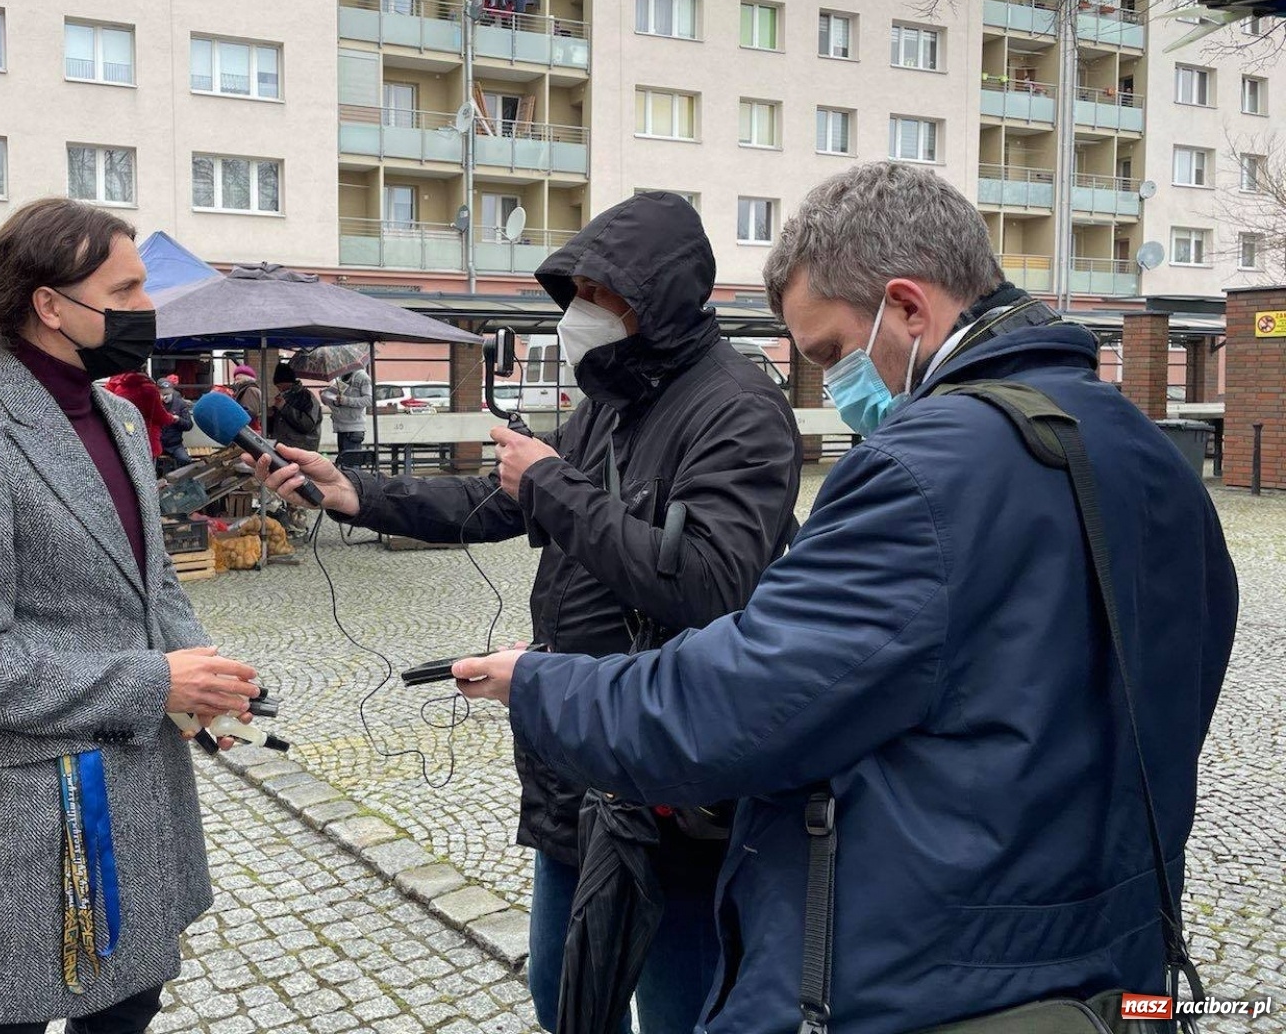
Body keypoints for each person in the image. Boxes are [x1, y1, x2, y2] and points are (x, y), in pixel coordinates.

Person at [449, 163, 1238, 1034]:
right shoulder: (1149, 453)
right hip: (1118, 978)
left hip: (925, 979)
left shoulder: (923, 468)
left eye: (829, 353)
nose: (829, 386)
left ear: (907, 307)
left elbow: (737, 704)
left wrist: (537, 684)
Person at [255, 192, 802, 1032]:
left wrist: (550, 481)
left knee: (680, 1007)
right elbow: (495, 499)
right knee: (564, 996)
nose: (580, 310)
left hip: (673, 779)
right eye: (574, 290)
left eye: (598, 292)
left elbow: (713, 582)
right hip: (572, 756)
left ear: (651, 296)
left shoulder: (736, 405)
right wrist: (355, 492)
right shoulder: (609, 399)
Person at [0, 197, 261, 1034]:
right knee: (5, 1020)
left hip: (142, 787)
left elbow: (151, 584)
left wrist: (202, 679)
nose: (145, 310)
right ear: (50, 305)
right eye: (124, 291)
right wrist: (155, 680)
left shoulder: (121, 415)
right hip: (34, 810)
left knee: (130, 1004)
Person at [103, 371, 174, 464]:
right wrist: (173, 418)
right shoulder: (149, 390)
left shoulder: (117, 388)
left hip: (124, 437)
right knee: (148, 473)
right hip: (147, 438)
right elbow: (161, 416)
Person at [321, 367, 372, 465]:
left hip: (354, 428)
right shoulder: (343, 378)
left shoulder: (362, 377)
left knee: (351, 466)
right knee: (344, 465)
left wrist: (346, 400)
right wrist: (328, 397)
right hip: (341, 427)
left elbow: (369, 400)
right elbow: (331, 395)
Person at [269, 363, 322, 455]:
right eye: (278, 386)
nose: (279, 389)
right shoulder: (283, 396)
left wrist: (284, 407)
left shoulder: (306, 397)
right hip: (284, 447)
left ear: (289, 382)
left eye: (280, 385)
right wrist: (270, 415)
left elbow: (307, 425)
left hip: (302, 449)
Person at [157, 375, 195, 469]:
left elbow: (189, 425)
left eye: (168, 393)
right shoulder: (154, 404)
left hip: (175, 445)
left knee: (186, 461)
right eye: (163, 393)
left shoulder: (180, 403)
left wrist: (178, 420)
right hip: (158, 443)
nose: (166, 396)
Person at [231, 364, 262, 432]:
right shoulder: (247, 389)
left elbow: (251, 411)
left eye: (238, 378)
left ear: (245, 378)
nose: (235, 381)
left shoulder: (250, 390)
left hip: (250, 429)